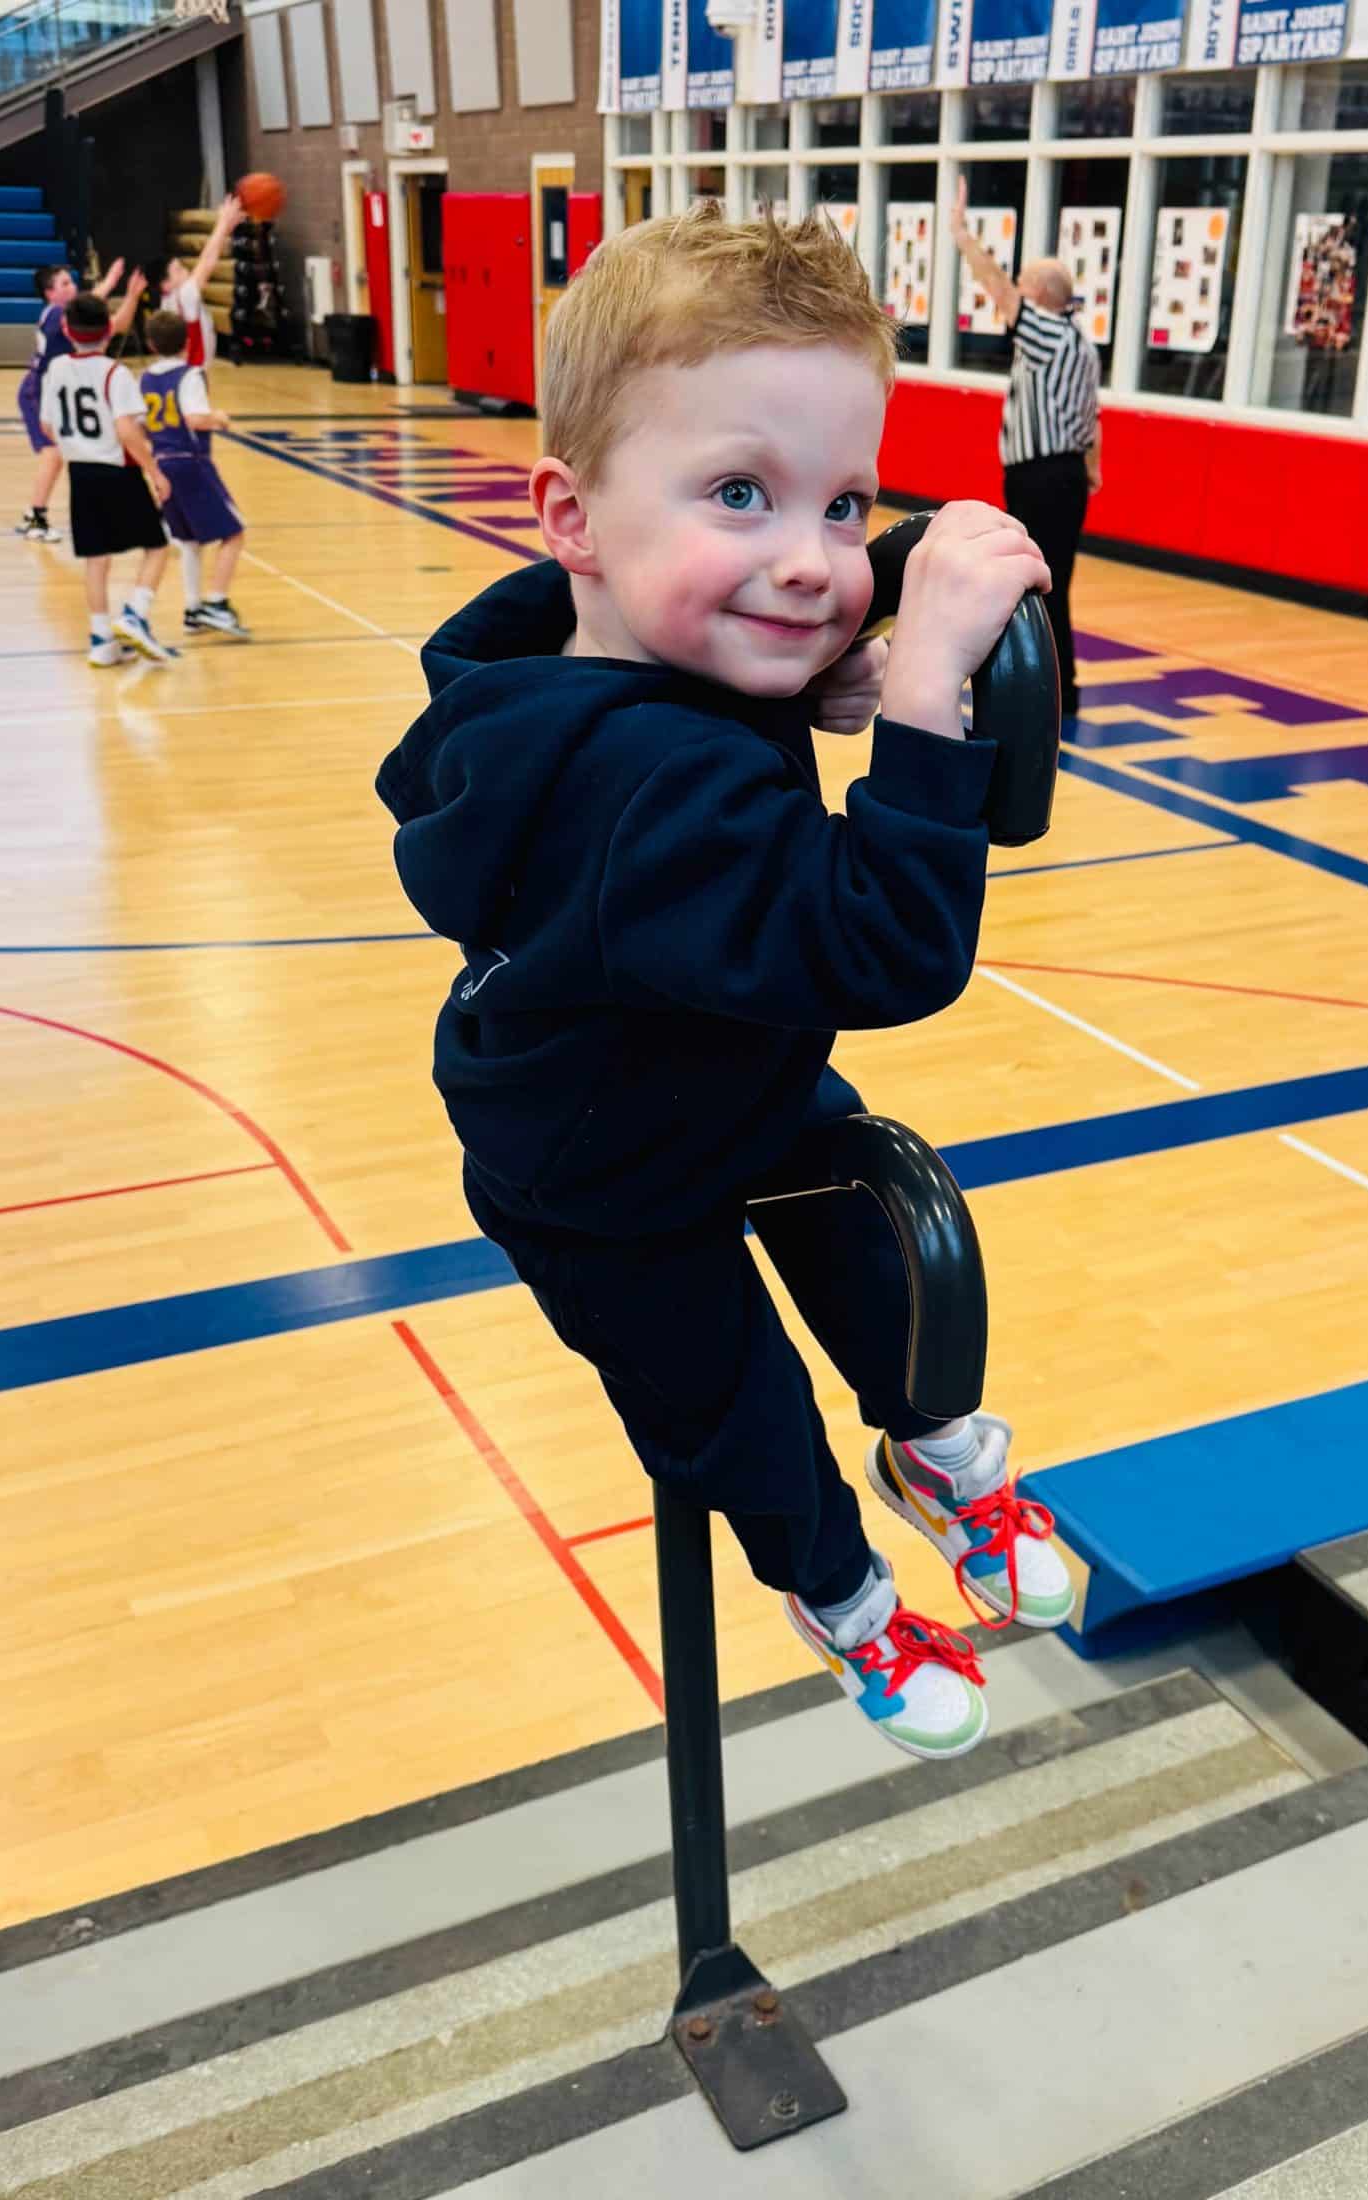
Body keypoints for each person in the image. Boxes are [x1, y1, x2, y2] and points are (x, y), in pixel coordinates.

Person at [376, 208, 1076, 1763]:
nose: (811, 562)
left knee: (881, 1243)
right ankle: (842, 1596)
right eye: (740, 494)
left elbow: (684, 651)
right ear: (571, 518)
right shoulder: (633, 779)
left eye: (844, 502)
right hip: (601, 1176)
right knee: (732, 1406)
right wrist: (920, 689)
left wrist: (831, 626)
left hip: (713, 1059)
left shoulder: (590, 661)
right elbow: (879, 946)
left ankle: (932, 1446)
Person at [949, 181, 1102, 720]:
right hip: (1066, 474)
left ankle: (1044, 694)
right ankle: (1064, 691)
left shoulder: (1047, 334)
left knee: (1037, 585)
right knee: (1054, 584)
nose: (1015, 290)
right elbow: (1093, 416)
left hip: (1041, 475)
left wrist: (961, 234)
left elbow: (997, 289)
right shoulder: (1082, 342)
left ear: (1038, 295)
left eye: (1023, 284)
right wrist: (1091, 468)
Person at [40, 290, 176, 667]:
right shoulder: (116, 373)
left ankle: (101, 639)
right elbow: (127, 431)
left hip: (80, 473)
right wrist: (155, 471)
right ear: (108, 330)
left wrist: (77, 443)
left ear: (67, 330)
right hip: (116, 470)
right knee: (157, 546)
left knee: (96, 559)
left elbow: (48, 426)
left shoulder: (57, 369)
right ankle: (135, 613)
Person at [15, 257, 146, 544]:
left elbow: (116, 324)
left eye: (71, 282)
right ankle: (35, 517)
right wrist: (111, 281)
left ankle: (37, 513)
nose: (72, 287)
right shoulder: (54, 314)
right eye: (64, 284)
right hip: (37, 392)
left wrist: (131, 295)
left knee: (70, 453)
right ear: (50, 293)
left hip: (54, 388)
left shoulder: (71, 317)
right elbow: (90, 304)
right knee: (53, 454)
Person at [140, 307, 250, 637]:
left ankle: (192, 609)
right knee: (234, 532)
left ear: (151, 344)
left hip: (163, 462)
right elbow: (195, 418)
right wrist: (219, 418)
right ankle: (216, 602)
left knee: (188, 541)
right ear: (187, 342)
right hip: (191, 461)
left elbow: (141, 423)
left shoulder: (145, 378)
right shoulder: (189, 376)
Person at [153, 194, 244, 372]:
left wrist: (225, 228)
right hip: (190, 371)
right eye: (178, 271)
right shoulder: (184, 294)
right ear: (166, 285)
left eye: (181, 266)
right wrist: (223, 223)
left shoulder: (169, 298)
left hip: (183, 369)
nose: (185, 271)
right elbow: (207, 261)